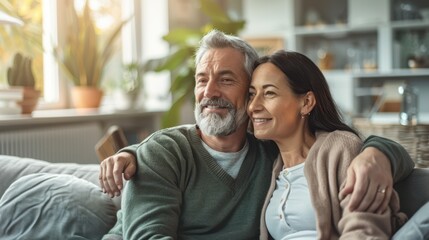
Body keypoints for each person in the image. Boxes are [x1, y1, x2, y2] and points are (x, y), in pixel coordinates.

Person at [100, 30, 414, 239]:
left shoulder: (270, 152)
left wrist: (379, 154)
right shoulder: (166, 152)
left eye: (225, 80)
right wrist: (132, 153)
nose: (209, 91)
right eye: (201, 80)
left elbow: (342, 145)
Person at [248, 50, 406, 239]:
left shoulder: (339, 148)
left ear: (306, 102)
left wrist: (381, 152)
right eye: (251, 94)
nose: (253, 106)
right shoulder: (271, 163)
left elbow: (364, 229)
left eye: (269, 93)